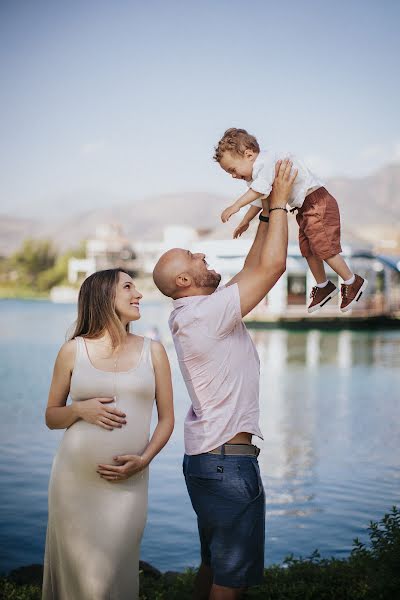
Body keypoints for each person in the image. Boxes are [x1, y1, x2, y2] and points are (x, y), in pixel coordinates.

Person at [153, 160, 296, 599]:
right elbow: (271, 271)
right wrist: (285, 203)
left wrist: (267, 213)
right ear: (184, 280)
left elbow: (253, 268)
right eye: (194, 258)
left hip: (209, 460)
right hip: (228, 464)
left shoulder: (198, 312)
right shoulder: (204, 315)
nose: (202, 255)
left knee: (215, 565)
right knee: (230, 582)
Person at [42, 268, 174, 600]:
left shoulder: (153, 351)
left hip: (128, 485)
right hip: (74, 485)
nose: (139, 294)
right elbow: (51, 416)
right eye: (128, 287)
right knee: (88, 584)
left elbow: (167, 419)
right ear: (104, 297)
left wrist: (143, 460)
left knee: (111, 573)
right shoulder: (73, 351)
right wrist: (79, 410)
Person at [214, 127, 368, 314]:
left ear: (248, 154)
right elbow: (258, 201)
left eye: (233, 169)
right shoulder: (257, 174)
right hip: (303, 209)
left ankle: (352, 281)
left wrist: (235, 206)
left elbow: (258, 192)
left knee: (323, 246)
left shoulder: (265, 163)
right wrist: (245, 221)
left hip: (317, 202)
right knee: (308, 249)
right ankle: (323, 285)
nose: (233, 176)